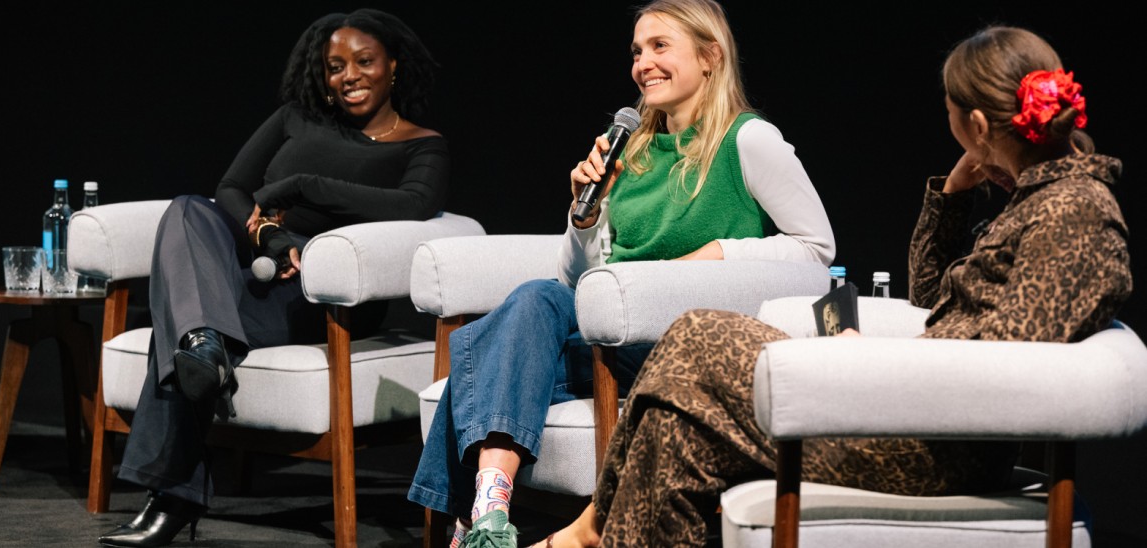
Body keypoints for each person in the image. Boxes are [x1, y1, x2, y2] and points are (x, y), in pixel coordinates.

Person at [536, 24, 1133, 547]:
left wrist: (865, 365)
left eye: (952, 118)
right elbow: (930, 301)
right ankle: (598, 529)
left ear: (976, 123)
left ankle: (591, 526)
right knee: (677, 429)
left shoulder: (1074, 214)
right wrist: (952, 197)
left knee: (696, 332)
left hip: (931, 449)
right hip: (912, 420)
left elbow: (1005, 366)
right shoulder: (1042, 202)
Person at [407, 0, 836, 546]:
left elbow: (816, 249)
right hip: (608, 336)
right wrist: (583, 216)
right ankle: (492, 510)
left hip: (680, 345)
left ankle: (468, 519)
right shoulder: (624, 147)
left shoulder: (748, 139)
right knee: (536, 300)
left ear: (710, 57)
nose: (643, 63)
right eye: (637, 51)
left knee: (487, 348)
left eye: (660, 47)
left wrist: (714, 255)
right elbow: (578, 279)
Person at [97, 9, 448, 547]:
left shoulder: (421, 144)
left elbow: (414, 204)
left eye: (364, 61)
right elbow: (233, 188)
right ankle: (203, 345)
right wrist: (267, 236)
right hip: (255, 270)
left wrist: (302, 185)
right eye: (335, 66)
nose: (349, 75)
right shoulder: (294, 117)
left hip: (318, 295)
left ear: (393, 66)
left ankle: (171, 495)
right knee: (190, 208)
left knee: (180, 315)